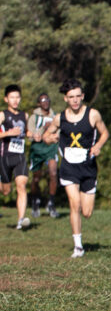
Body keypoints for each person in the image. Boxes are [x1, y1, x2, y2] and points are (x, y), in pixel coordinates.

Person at [43, 79, 109, 258]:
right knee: (75, 204)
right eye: (71, 97)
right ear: (65, 98)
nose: (75, 100)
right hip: (69, 167)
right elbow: (46, 135)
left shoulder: (92, 114)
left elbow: (105, 133)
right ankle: (78, 246)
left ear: (83, 96)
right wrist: (50, 138)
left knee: (86, 212)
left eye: (78, 96)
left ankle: (80, 241)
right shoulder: (60, 118)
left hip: (88, 168)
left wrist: (98, 146)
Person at [0, 84, 31, 230]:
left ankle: (21, 220)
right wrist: (7, 134)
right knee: (6, 191)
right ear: (6, 99)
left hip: (19, 157)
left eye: (17, 97)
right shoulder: (2, 115)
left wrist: (36, 135)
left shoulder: (24, 115)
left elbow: (26, 132)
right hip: (4, 157)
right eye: (12, 97)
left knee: (21, 185)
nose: (15, 100)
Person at [27, 93, 60, 218]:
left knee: (53, 173)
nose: (45, 102)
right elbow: (30, 135)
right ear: (39, 103)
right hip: (37, 149)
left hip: (51, 148)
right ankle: (35, 201)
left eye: (47, 99)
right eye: (42, 100)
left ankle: (51, 203)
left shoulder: (55, 116)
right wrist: (42, 128)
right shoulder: (33, 117)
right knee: (36, 178)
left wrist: (53, 135)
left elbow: (59, 133)